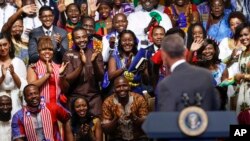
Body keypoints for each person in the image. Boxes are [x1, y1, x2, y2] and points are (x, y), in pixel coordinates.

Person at [157, 34, 220, 111]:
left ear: (164, 55)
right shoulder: (206, 75)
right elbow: (216, 105)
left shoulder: (165, 84)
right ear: (184, 52)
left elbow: (164, 116)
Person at [61, 27, 104, 115]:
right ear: (72, 40)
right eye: (78, 37)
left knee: (96, 125)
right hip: (75, 98)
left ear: (87, 37)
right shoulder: (68, 54)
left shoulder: (95, 52)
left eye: (84, 36)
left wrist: (94, 62)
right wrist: (82, 64)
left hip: (93, 98)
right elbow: (68, 78)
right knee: (76, 127)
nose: (81, 40)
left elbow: (100, 77)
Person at [102, 76, 148, 141]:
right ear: (114, 89)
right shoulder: (108, 102)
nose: (122, 89)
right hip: (117, 138)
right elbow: (105, 129)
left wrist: (134, 117)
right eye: (118, 87)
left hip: (138, 137)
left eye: (124, 85)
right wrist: (116, 118)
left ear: (129, 87)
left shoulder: (138, 99)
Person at [27, 36, 68, 104]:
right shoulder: (33, 67)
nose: (47, 52)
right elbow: (31, 87)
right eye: (44, 49)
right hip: (41, 107)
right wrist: (47, 74)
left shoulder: (59, 67)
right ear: (38, 51)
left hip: (57, 106)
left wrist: (61, 75)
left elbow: (66, 89)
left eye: (50, 49)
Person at [0, 33, 27, 116]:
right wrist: (3, 77)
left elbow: (22, 86)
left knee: (16, 124)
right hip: (0, 100)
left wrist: (13, 74)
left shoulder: (18, 62)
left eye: (5, 44)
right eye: (0, 46)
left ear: (10, 45)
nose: (2, 48)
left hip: (16, 100)